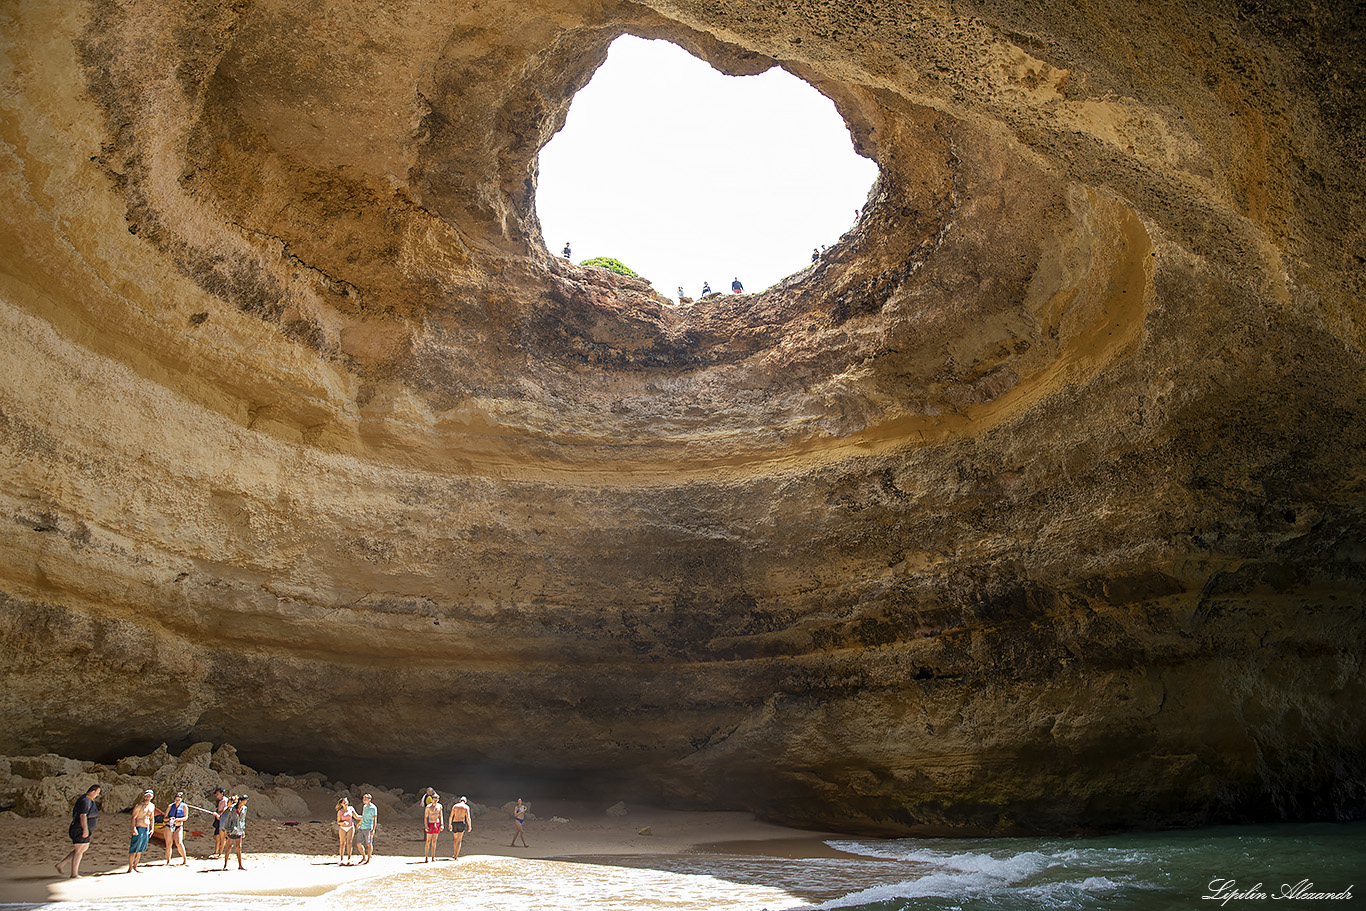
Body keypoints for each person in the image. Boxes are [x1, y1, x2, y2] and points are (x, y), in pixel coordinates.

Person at [55, 784, 100, 878]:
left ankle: (61, 864)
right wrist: (85, 829)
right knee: (79, 850)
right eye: (97, 793)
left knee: (81, 848)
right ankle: (74, 873)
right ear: (92, 791)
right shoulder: (86, 801)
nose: (97, 795)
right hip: (79, 828)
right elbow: (83, 815)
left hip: (80, 828)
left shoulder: (86, 799)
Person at [127, 790, 155, 873]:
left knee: (140, 849)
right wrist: (134, 828)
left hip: (146, 828)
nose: (147, 798)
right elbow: (133, 817)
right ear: (144, 796)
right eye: (146, 796)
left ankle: (135, 866)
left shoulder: (152, 806)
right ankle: (130, 868)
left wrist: (152, 828)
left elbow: (152, 817)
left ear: (152, 797)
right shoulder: (139, 806)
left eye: (149, 796)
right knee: (134, 849)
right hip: (139, 827)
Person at [221, 795, 247, 870]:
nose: (245, 802)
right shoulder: (232, 808)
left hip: (239, 829)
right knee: (228, 847)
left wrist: (242, 830)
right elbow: (228, 819)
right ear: (240, 801)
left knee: (238, 847)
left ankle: (240, 865)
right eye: (244, 801)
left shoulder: (244, 809)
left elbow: (243, 820)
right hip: (232, 829)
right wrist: (228, 830)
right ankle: (225, 864)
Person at [163, 791, 188, 865]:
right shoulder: (170, 806)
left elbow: (185, 817)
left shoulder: (184, 806)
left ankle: (184, 859)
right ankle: (168, 860)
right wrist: (170, 818)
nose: (177, 801)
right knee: (168, 843)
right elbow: (164, 818)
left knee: (179, 842)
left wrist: (178, 819)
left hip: (178, 826)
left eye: (178, 800)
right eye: (176, 800)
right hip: (169, 826)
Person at [354, 793, 378, 864]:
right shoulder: (364, 807)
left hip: (368, 828)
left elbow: (374, 819)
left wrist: (373, 829)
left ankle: (368, 859)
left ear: (369, 799)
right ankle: (364, 857)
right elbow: (363, 816)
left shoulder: (373, 808)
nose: (364, 800)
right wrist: (359, 823)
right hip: (362, 827)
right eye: (363, 798)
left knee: (369, 843)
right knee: (358, 843)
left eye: (365, 798)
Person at [423, 793, 443, 862]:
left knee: (434, 841)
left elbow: (440, 816)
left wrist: (442, 824)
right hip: (430, 824)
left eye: (436, 799)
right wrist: (425, 826)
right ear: (432, 799)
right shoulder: (428, 807)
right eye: (434, 799)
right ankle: (426, 857)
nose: (435, 800)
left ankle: (433, 857)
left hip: (436, 823)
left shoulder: (439, 806)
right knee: (428, 841)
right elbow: (425, 817)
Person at [210, 787, 228, 858]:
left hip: (222, 820)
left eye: (218, 794)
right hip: (218, 819)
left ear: (222, 793)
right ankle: (217, 851)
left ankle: (218, 852)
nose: (216, 796)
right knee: (217, 836)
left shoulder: (225, 801)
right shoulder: (221, 801)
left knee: (219, 837)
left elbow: (225, 810)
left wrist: (218, 814)